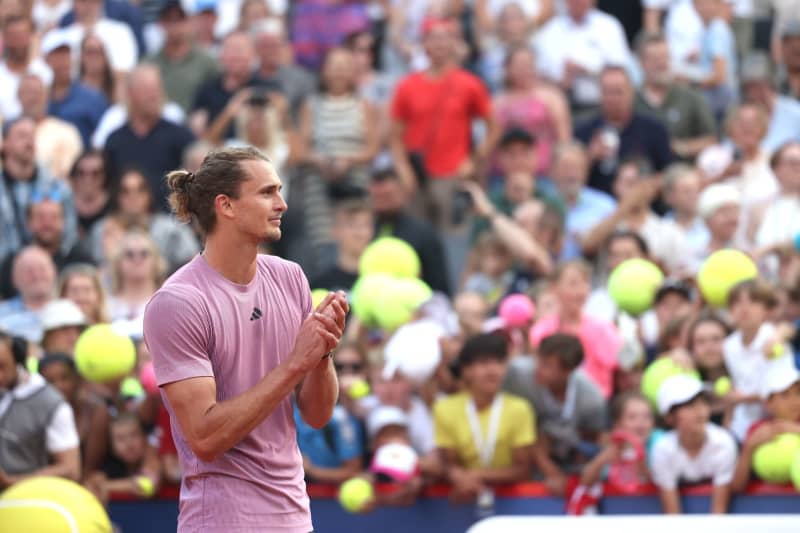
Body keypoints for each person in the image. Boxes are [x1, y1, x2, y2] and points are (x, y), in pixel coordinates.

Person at [143, 147, 347, 532]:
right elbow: (205, 437)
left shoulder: (290, 277)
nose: (282, 204)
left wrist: (323, 353)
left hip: (293, 517)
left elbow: (317, 416)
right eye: (267, 192)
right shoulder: (178, 302)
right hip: (222, 520)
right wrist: (295, 365)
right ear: (227, 206)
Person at [434, 332, 535, 503]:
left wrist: (473, 476)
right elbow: (450, 463)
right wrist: (457, 476)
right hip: (464, 497)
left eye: (499, 362)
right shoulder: (444, 408)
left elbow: (522, 469)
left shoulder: (520, 408)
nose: (492, 370)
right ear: (466, 370)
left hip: (512, 501)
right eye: (483, 363)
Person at [503, 333, 607, 495]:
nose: (538, 369)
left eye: (547, 365)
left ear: (568, 371)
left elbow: (595, 438)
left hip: (572, 460)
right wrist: (550, 471)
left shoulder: (591, 399)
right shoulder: (516, 376)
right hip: (529, 457)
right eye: (538, 360)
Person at [104, 65, 195, 212]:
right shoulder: (114, 141)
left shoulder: (180, 136)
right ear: (130, 93)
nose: (153, 95)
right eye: (146, 89)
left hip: (170, 220)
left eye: (156, 89)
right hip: (125, 219)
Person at [575, 66, 676, 196]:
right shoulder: (583, 131)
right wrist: (590, 157)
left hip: (644, 206)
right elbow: (568, 180)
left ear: (631, 92)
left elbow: (670, 174)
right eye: (607, 92)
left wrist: (643, 186)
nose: (613, 99)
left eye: (618, 92)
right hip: (597, 207)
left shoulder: (654, 129)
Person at [0, 330, 81, 488]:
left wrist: (11, 481)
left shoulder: (51, 404)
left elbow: (71, 470)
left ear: (18, 358)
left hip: (25, 504)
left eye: (2, 367)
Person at [650, 374, 737, 514]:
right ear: (670, 418)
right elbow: (672, 514)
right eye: (690, 405)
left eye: (703, 402)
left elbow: (718, 513)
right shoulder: (662, 450)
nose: (700, 411)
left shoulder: (723, 443)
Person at [89, 169, 200, 273]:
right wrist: (111, 258)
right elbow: (95, 273)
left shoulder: (171, 229)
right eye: (125, 191)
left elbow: (194, 262)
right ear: (117, 196)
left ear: (148, 195)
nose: (133, 196)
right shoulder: (102, 230)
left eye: (140, 190)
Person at [723, 279, 794, 442]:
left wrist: (743, 399)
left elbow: (784, 390)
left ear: (767, 310)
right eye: (737, 302)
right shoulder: (729, 345)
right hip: (741, 427)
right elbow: (737, 385)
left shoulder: (775, 339)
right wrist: (729, 415)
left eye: (753, 301)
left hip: (779, 425)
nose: (744, 308)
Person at [0, 117, 78, 264]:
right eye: (21, 136)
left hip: (51, 268)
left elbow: (69, 235)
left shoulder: (58, 188)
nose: (29, 142)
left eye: (32, 136)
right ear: (4, 143)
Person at [534, 0, 632, 114]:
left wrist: (586, 71)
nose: (578, 1)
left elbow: (620, 71)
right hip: (560, 108)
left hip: (602, 106)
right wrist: (560, 82)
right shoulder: (548, 32)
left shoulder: (609, 26)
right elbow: (538, 76)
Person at [635, 32, 717, 161]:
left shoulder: (690, 97)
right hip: (642, 171)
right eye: (654, 59)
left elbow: (712, 140)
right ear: (640, 62)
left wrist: (682, 148)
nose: (661, 64)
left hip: (682, 170)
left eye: (664, 57)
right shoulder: (630, 101)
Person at [368, 169, 450, 295]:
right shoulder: (365, 231)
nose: (382, 203)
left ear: (403, 193)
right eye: (377, 197)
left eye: (387, 196)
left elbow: (439, 285)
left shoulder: (423, 233)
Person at [491, 47, 571, 177]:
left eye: (528, 65)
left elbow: (564, 140)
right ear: (507, 68)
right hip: (505, 174)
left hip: (545, 172)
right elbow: (491, 142)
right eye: (518, 65)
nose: (524, 70)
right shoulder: (498, 102)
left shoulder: (551, 97)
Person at [0, 197, 94, 300]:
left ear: (63, 222)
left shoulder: (80, 259)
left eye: (54, 217)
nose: (47, 223)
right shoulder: (14, 263)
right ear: (29, 223)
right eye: (41, 217)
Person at [731, 356, 800, 492]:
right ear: (768, 403)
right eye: (785, 395)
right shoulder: (757, 430)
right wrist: (749, 448)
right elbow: (737, 486)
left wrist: (796, 430)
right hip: (770, 505)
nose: (795, 401)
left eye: (798, 393)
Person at [38, 352, 110, 477]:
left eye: (65, 378)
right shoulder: (36, 415)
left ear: (77, 379)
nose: (58, 386)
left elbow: (87, 471)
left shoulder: (96, 412)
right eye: (50, 381)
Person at [549, 141, 616, 261]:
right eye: (566, 167)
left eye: (578, 168)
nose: (572, 174)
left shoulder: (606, 205)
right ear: (552, 170)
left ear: (586, 171)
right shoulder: (541, 203)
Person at [148, 0, 217, 114]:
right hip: (160, 127)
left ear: (189, 22)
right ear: (160, 24)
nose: (175, 26)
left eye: (179, 20)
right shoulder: (149, 64)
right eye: (169, 20)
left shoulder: (207, 62)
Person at [18, 73, 83, 181]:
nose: (33, 98)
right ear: (18, 96)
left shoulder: (66, 132)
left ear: (47, 97)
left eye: (38, 93)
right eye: (28, 92)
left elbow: (72, 175)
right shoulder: (6, 132)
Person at [310, 199, 374, 293]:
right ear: (335, 231)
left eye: (365, 225)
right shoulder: (320, 284)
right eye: (351, 225)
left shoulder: (381, 281)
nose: (359, 233)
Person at [0, 246, 57, 343]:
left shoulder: (71, 310)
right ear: (15, 279)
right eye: (29, 271)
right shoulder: (2, 314)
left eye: (42, 269)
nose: (37, 276)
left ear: (54, 272)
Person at [0, 16, 52, 120]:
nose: (19, 42)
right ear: (5, 39)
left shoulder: (45, 71)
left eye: (23, 35)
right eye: (14, 36)